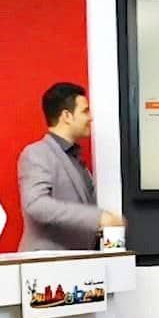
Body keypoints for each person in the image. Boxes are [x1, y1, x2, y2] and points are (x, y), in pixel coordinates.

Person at [18, 82, 125, 251]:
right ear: (67, 116)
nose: (90, 117)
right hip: (48, 263)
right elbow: (36, 205)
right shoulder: (36, 153)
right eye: (85, 111)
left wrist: (104, 227)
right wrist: (98, 218)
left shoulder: (75, 158)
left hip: (77, 262)